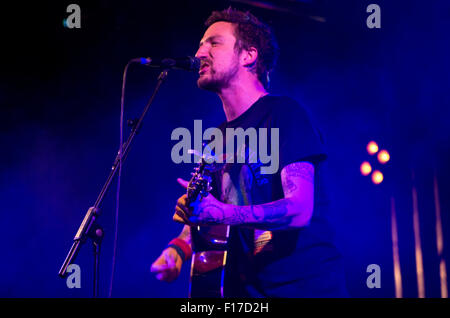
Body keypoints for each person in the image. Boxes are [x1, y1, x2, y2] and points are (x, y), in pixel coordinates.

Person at [151, 7, 348, 297]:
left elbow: (299, 209)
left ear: (248, 55)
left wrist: (223, 212)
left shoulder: (284, 114)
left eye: (213, 43)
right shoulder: (216, 140)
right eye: (201, 43)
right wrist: (179, 248)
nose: (200, 51)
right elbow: (213, 219)